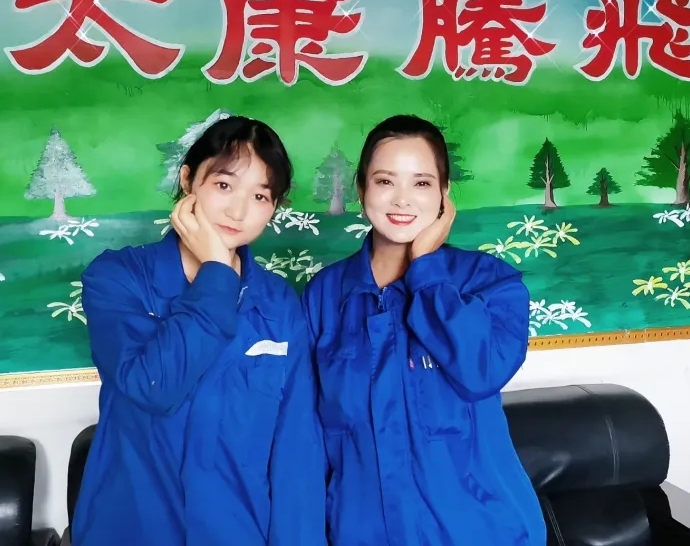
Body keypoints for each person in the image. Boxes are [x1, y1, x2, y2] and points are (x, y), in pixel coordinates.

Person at [71, 115, 325, 546]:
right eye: (224, 185)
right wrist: (217, 272)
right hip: (133, 530)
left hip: (237, 532)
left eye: (260, 196)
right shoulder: (118, 278)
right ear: (189, 179)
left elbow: (296, 450)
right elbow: (154, 387)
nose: (238, 211)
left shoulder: (279, 305)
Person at [302, 114, 545, 545]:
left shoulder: (489, 283)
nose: (402, 200)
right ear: (361, 189)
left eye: (421, 183)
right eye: (384, 181)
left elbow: (480, 372)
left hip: (480, 532)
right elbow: (308, 431)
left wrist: (427, 269)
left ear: (443, 195)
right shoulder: (324, 295)